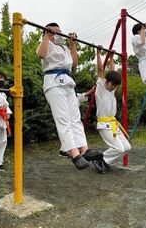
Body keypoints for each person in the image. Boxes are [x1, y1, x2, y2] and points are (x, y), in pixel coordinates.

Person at [37, 22, 102, 170]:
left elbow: (74, 62)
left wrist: (72, 44)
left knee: (75, 118)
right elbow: (41, 54)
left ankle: (84, 149)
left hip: (68, 83)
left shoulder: (65, 48)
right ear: (47, 32)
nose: (58, 34)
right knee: (63, 119)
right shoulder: (46, 44)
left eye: (60, 31)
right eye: (55, 31)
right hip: (54, 83)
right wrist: (47, 35)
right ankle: (74, 153)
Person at [92, 47, 131, 173]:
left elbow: (113, 71)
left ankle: (103, 160)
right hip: (104, 125)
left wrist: (112, 58)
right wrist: (98, 53)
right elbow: (100, 70)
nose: (113, 87)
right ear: (107, 82)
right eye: (112, 84)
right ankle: (100, 160)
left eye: (115, 85)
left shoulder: (111, 90)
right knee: (119, 148)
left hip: (113, 125)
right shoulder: (101, 89)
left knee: (126, 147)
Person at [59, 86, 96, 158]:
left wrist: (91, 91)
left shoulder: (75, 97)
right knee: (69, 133)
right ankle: (64, 150)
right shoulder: (65, 97)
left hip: (75, 122)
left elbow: (83, 95)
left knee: (77, 134)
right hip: (68, 121)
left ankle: (80, 152)